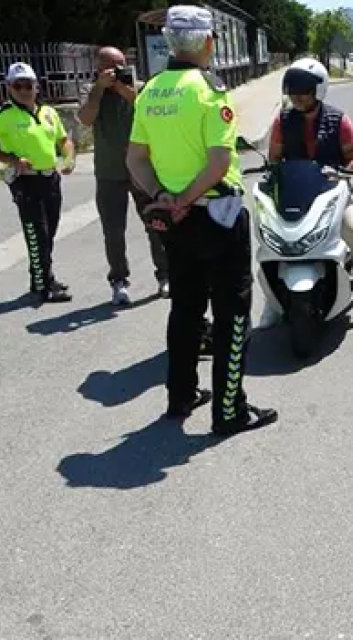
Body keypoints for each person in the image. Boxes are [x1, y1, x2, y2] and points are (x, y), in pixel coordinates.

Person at [126, 4, 278, 436]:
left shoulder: (150, 91)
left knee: (186, 308)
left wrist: (164, 198)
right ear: (209, 42)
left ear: (170, 43)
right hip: (216, 215)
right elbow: (218, 162)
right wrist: (186, 199)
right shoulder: (209, 91)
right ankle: (229, 411)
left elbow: (135, 158)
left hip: (176, 222)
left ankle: (181, 394)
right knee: (232, 313)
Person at [262, 57, 353, 324]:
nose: (296, 96)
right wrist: (271, 175)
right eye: (292, 89)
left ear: (319, 89)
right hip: (295, 194)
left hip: (332, 193)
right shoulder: (282, 121)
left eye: (303, 90)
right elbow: (274, 158)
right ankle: (272, 302)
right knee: (270, 239)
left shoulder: (338, 120)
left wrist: (343, 174)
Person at [0, 62, 75, 303]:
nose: (24, 90)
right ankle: (43, 285)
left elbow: (64, 140)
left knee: (49, 232)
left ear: (36, 86)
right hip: (26, 181)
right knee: (37, 234)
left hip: (50, 178)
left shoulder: (48, 112)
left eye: (28, 85)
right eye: (18, 85)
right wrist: (10, 160)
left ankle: (42, 276)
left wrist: (69, 159)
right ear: (9, 87)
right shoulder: (4, 115)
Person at [78, 46, 170, 305]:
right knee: (114, 232)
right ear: (98, 68)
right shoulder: (91, 90)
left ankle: (165, 275)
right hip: (109, 172)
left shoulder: (139, 88)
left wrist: (123, 89)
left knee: (156, 224)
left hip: (141, 170)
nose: (117, 70)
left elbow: (150, 111)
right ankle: (119, 280)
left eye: (121, 65)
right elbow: (85, 119)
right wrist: (100, 89)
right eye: (111, 66)